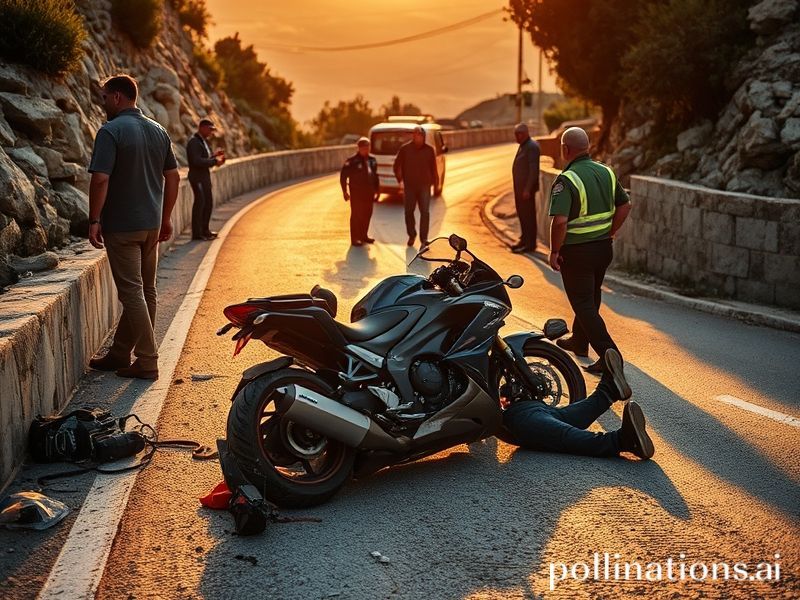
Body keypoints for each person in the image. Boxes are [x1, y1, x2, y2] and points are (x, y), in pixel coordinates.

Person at [86, 74, 180, 380]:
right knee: (146, 290)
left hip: (123, 227)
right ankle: (119, 353)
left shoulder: (110, 131)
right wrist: (166, 217)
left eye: (103, 97)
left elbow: (100, 179)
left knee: (132, 293)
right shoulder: (158, 130)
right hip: (151, 224)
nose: (101, 102)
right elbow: (174, 177)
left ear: (117, 97)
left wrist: (94, 219)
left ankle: (148, 360)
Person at [548, 127, 631, 374]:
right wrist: (610, 232)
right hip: (603, 249)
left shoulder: (567, 180)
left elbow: (560, 221)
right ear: (588, 147)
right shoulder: (605, 171)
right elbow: (625, 206)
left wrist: (554, 251)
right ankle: (579, 341)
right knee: (591, 296)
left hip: (577, 254)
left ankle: (609, 356)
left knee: (583, 303)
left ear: (565, 149)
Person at [502, 349, 655, 459]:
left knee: (560, 426)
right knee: (562, 426)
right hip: (516, 412)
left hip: (518, 411)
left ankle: (610, 399)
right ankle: (620, 434)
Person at [393, 126, 438, 247]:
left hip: (425, 186)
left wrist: (435, 184)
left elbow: (434, 168)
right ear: (413, 136)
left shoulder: (429, 150)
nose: (419, 137)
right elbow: (396, 165)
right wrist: (400, 180)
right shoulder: (405, 149)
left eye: (421, 135)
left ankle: (424, 239)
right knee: (408, 212)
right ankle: (412, 235)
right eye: (416, 135)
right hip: (410, 187)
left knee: (425, 212)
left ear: (424, 136)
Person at [187, 118, 225, 241]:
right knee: (200, 203)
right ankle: (197, 234)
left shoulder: (202, 141)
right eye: (210, 129)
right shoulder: (194, 142)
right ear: (202, 128)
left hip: (204, 178)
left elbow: (203, 158)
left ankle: (205, 230)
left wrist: (214, 156)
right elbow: (196, 161)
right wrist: (214, 161)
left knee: (207, 203)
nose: (211, 133)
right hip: (197, 178)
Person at [340, 137, 379, 246]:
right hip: (357, 193)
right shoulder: (352, 161)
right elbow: (343, 176)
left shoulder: (372, 160)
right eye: (363, 148)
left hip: (369, 192)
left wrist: (377, 190)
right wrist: (345, 191)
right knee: (357, 215)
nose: (366, 149)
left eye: (368, 147)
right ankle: (355, 238)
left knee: (367, 214)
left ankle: (364, 235)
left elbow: (375, 176)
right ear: (359, 148)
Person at [510, 122, 541, 253]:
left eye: (520, 134)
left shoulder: (532, 147)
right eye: (516, 134)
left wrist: (528, 189)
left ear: (526, 133)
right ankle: (524, 239)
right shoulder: (523, 146)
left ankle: (530, 244)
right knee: (522, 215)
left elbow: (533, 170)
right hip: (519, 189)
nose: (517, 137)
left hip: (526, 191)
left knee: (528, 217)